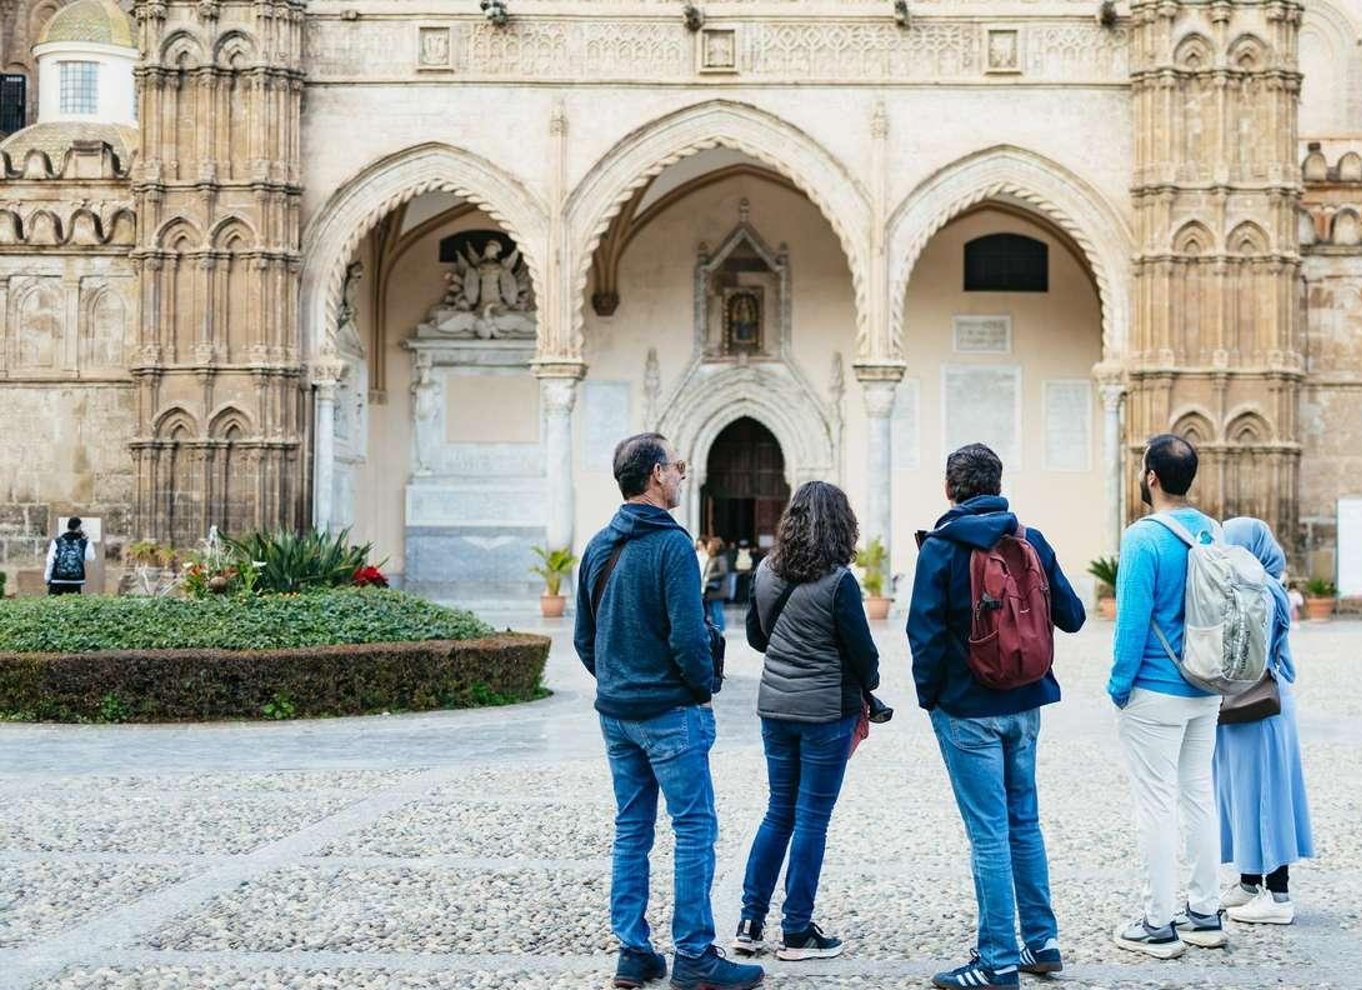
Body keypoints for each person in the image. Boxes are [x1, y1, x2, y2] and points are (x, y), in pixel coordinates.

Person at [574, 433, 763, 990]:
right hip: (670, 714)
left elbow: (585, 638)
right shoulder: (673, 546)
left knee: (632, 829)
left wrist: (617, 682)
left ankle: (633, 951)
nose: (683, 475)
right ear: (657, 475)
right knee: (695, 828)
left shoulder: (598, 545)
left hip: (616, 714)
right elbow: (688, 637)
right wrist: (700, 687)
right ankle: (696, 954)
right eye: (678, 467)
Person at [907, 443, 1085, 990]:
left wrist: (931, 697)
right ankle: (1041, 941)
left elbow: (924, 635)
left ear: (949, 490)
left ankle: (997, 959)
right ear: (999, 483)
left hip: (967, 709)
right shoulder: (1031, 541)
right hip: (1026, 703)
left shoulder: (940, 548)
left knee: (987, 833)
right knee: (1023, 822)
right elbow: (1074, 616)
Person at [733, 481, 880, 962]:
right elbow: (864, 657)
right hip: (824, 714)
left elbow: (758, 638)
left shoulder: (765, 572)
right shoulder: (839, 583)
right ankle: (796, 932)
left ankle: (749, 923)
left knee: (779, 811)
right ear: (842, 525)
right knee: (812, 819)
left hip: (775, 710)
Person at [1108, 434, 1228, 958]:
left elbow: (1131, 623)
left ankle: (1157, 923)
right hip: (1206, 686)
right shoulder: (1212, 531)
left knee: (1155, 804)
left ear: (1151, 477)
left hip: (1156, 690)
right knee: (1198, 793)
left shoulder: (1142, 538)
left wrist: (1117, 685)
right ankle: (1205, 913)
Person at [1215, 518, 1313, 924]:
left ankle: (1279, 895)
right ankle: (1249, 880)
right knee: (1241, 792)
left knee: (1267, 793)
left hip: (1259, 704)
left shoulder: (1260, 589)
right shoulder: (1260, 585)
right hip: (1250, 704)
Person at [44, 517, 95, 595]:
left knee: (54, 605)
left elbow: (50, 560)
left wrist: (47, 578)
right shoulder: (84, 542)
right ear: (79, 527)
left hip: (57, 580)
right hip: (75, 581)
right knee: (73, 605)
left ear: (68, 527)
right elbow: (91, 558)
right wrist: (88, 540)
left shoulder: (57, 541)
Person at [703, 536, 729, 632]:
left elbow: (723, 572)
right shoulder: (712, 558)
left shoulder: (720, 558)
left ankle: (720, 630)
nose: (708, 546)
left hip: (717, 589)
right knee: (712, 611)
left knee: (717, 610)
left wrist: (709, 576)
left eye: (710, 544)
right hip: (711, 589)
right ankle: (715, 629)